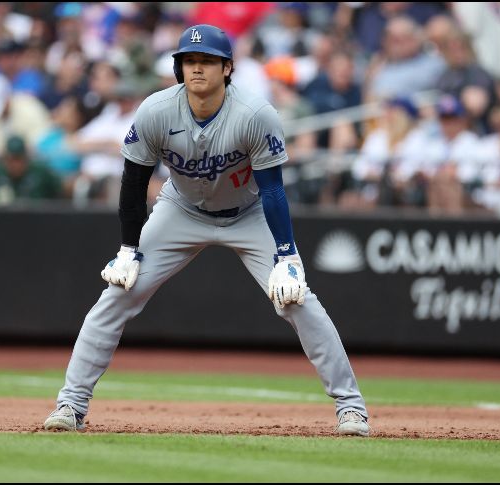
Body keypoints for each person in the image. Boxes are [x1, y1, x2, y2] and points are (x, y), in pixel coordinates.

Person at [44, 24, 370, 437]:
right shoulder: (156, 111)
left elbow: (273, 191)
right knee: (117, 295)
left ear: (228, 68)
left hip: (250, 212)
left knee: (296, 300)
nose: (197, 69)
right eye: (189, 61)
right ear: (179, 68)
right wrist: (129, 247)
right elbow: (132, 183)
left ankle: (351, 408)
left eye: (207, 61)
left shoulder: (255, 114)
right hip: (180, 210)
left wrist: (287, 255)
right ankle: (71, 405)